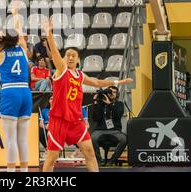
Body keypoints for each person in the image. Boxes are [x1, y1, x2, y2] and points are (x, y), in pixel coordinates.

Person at [41, 18, 133, 172]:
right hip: (59, 120)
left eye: (73, 56)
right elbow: (55, 54)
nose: (70, 57)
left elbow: (97, 82)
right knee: (52, 158)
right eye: (68, 55)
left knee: (90, 153)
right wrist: (49, 34)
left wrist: (118, 82)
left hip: (75, 120)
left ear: (78, 60)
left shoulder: (80, 75)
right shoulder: (61, 70)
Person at [0, 6, 32, 172]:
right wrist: (16, 15)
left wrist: (0, 36)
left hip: (10, 92)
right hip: (25, 92)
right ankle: (24, 172)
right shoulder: (23, 48)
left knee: (10, 139)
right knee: (22, 139)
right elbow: (20, 32)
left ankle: (10, 173)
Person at [91, 86, 127, 166]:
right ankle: (99, 161)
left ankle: (112, 160)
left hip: (115, 131)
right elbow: (95, 118)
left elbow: (117, 115)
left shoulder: (119, 104)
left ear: (117, 94)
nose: (111, 94)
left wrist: (109, 104)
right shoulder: (100, 104)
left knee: (124, 139)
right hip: (100, 130)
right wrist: (96, 103)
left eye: (114, 92)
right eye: (110, 92)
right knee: (92, 138)